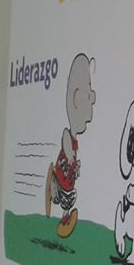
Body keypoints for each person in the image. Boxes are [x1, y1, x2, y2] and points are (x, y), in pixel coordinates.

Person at [45, 53, 96, 238]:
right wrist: (69, 154)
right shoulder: (69, 135)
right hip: (63, 175)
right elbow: (66, 141)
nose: (93, 98)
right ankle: (53, 186)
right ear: (76, 98)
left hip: (68, 179)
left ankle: (64, 215)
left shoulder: (75, 139)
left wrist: (76, 166)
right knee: (61, 194)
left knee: (66, 197)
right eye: (89, 94)